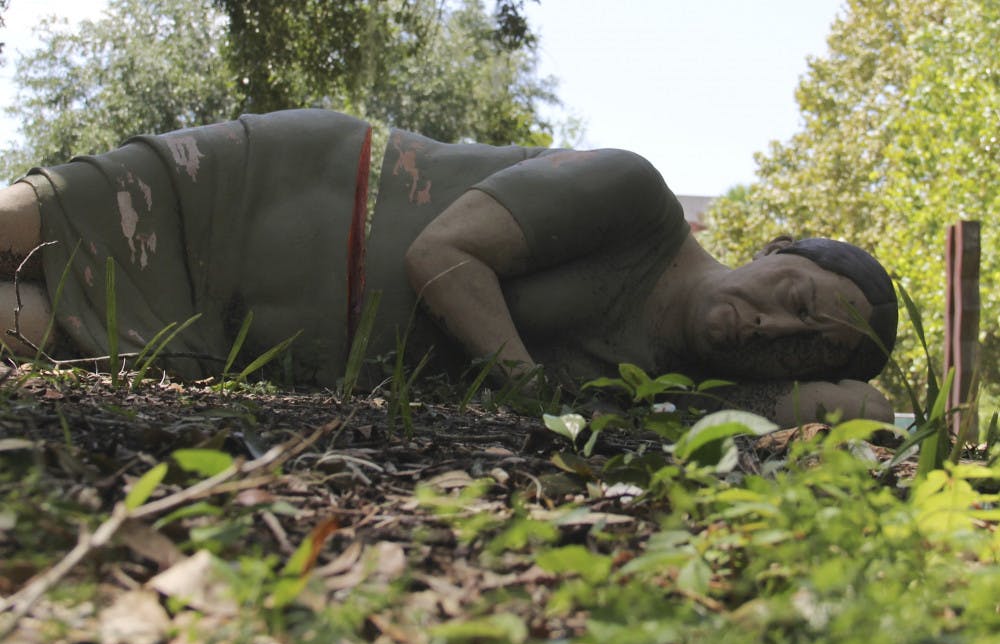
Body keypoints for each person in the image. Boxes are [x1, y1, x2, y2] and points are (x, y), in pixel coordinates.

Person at [0, 109, 897, 427]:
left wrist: (834, 384)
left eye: (799, 345)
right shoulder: (634, 195)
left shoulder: (666, 391)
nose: (771, 326)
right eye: (796, 297)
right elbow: (445, 252)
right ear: (779, 249)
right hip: (255, 195)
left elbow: (858, 409)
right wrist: (535, 395)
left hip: (232, 339)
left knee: (26, 329)